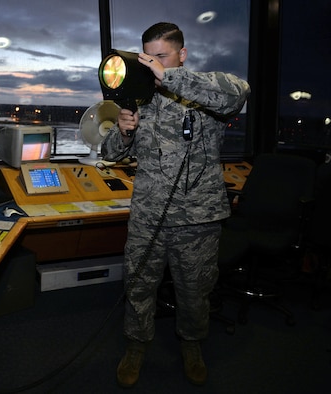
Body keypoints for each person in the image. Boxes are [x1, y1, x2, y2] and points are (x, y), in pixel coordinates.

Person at [101, 22, 250, 388]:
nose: (153, 65)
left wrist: (170, 78)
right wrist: (124, 131)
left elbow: (237, 94)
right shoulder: (138, 98)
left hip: (197, 218)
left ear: (181, 55)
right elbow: (110, 155)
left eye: (161, 57)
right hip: (148, 216)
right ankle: (136, 346)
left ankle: (192, 345)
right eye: (148, 57)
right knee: (138, 287)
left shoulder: (202, 92)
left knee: (195, 290)